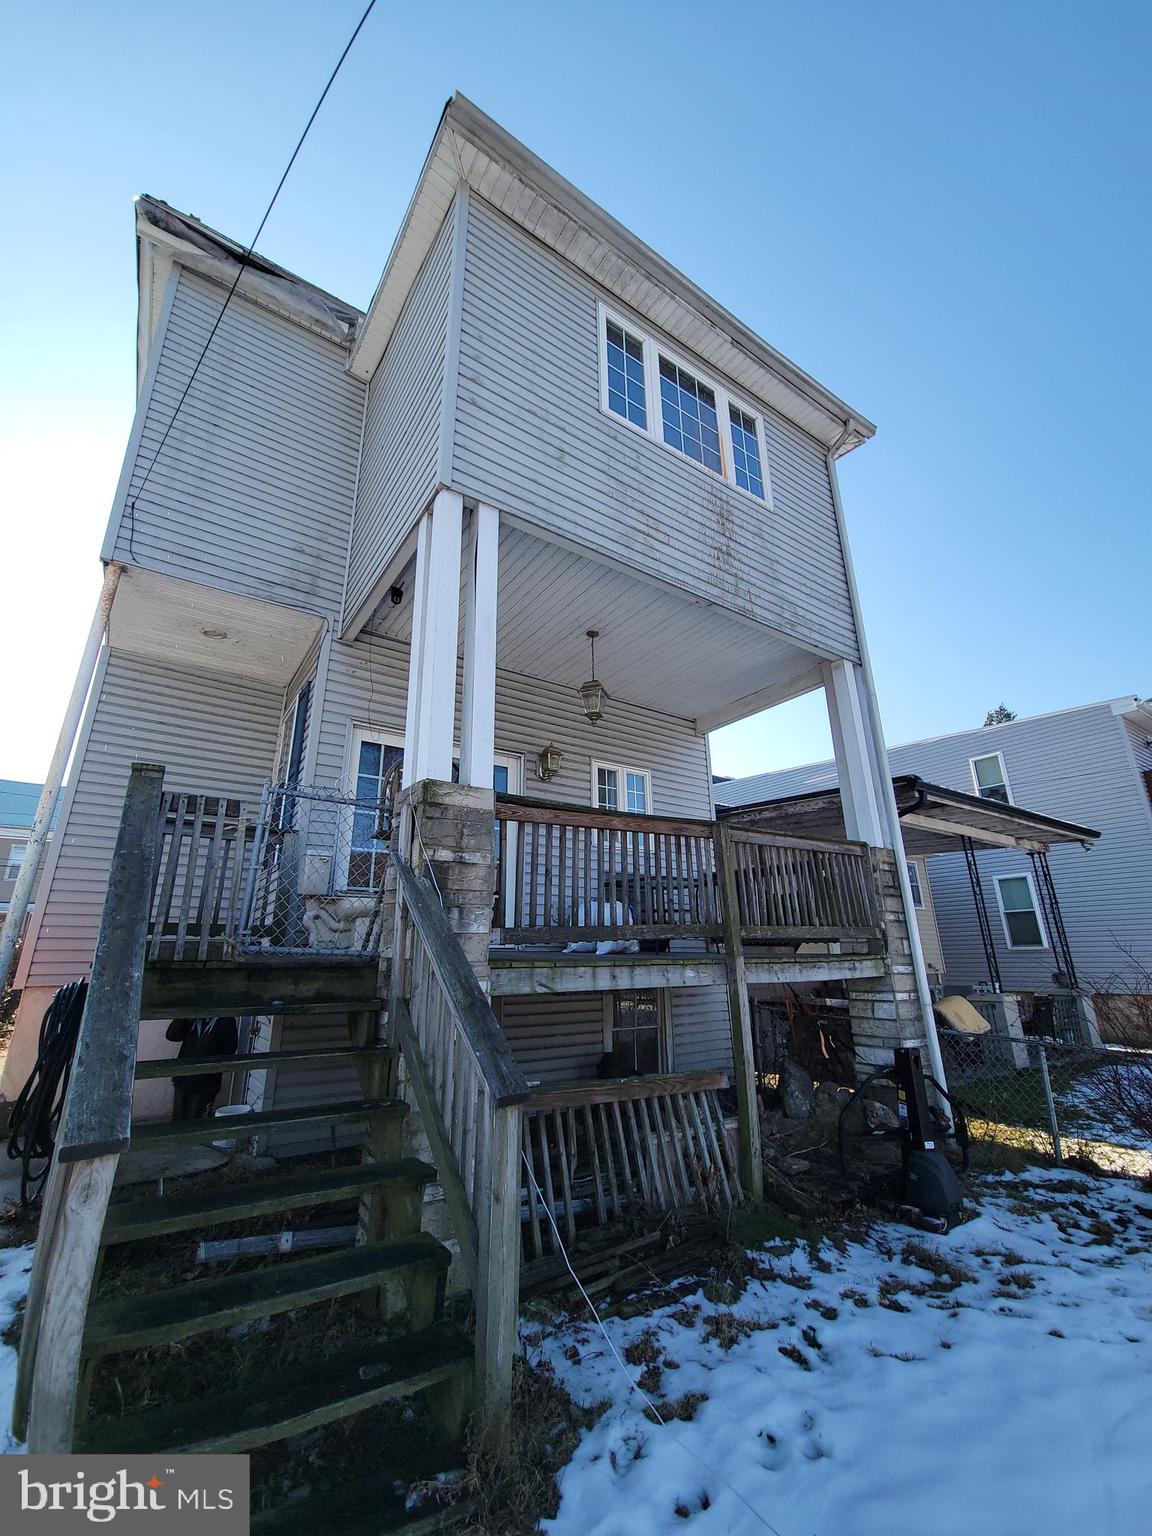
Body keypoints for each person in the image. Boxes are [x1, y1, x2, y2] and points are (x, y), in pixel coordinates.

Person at [164, 1016, 239, 1120]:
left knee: (197, 1120)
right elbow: (172, 1035)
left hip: (206, 1084)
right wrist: (185, 1016)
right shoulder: (193, 1019)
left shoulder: (226, 1020)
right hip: (183, 1079)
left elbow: (229, 1050)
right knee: (178, 1121)